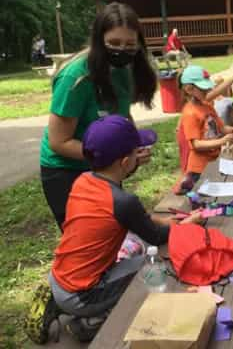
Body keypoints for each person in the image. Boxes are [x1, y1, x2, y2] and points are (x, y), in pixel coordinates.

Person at [26, 115, 202, 344]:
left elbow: (136, 220)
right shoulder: (123, 202)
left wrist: (163, 221)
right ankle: (89, 323)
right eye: (135, 151)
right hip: (84, 295)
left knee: (135, 245)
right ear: (124, 162)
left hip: (60, 277)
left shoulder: (84, 180)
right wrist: (186, 225)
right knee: (157, 267)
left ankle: (62, 303)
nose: (140, 154)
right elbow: (157, 238)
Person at [39, 2, 157, 231]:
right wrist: (111, 155)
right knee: (87, 238)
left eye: (129, 44)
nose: (122, 50)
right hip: (66, 170)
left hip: (102, 164)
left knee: (111, 232)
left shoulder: (125, 70)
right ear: (98, 40)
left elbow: (122, 114)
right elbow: (59, 141)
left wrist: (131, 146)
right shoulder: (76, 77)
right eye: (114, 43)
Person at [175, 65, 233, 192]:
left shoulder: (207, 106)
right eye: (204, 89)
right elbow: (196, 144)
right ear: (189, 89)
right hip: (199, 169)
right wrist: (222, 141)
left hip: (214, 161)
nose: (208, 90)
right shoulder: (190, 113)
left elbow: (221, 128)